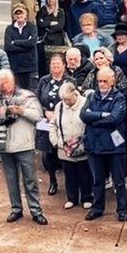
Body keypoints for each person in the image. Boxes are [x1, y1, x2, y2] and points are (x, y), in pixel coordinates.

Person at [0, 69, 47, 224]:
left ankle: (36, 210)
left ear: (13, 81)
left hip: (24, 144)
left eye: (6, 82)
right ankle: (16, 209)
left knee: (30, 180)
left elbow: (38, 116)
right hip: (4, 145)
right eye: (1, 83)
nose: (4, 86)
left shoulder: (26, 95)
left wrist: (21, 110)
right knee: (11, 180)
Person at [81, 67, 127, 222]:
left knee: (119, 180)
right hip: (94, 146)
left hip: (114, 146)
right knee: (97, 181)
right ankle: (97, 208)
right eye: (99, 81)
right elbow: (83, 115)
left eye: (105, 81)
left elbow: (115, 118)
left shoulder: (119, 97)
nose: (101, 84)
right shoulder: (93, 96)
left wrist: (94, 120)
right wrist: (102, 115)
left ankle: (122, 209)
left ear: (112, 81)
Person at [48, 82, 91, 210]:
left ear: (75, 93)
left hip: (83, 148)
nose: (66, 102)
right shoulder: (59, 107)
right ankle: (71, 198)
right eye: (64, 99)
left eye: (68, 99)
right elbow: (53, 125)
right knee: (69, 175)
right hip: (64, 149)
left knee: (85, 174)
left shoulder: (85, 103)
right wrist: (56, 142)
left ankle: (87, 197)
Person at [36, 53, 74, 195]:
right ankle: (52, 181)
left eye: (58, 64)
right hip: (46, 120)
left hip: (64, 120)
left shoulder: (70, 81)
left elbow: (73, 100)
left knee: (65, 151)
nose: (55, 67)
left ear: (64, 65)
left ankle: (70, 184)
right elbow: (37, 99)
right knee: (49, 153)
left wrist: (58, 113)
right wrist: (45, 112)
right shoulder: (44, 81)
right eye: (53, 64)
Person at [5, 3, 39, 90]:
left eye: (21, 13)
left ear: (26, 14)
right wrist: (25, 45)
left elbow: (31, 43)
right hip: (16, 67)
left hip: (30, 67)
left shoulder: (32, 27)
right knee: (18, 95)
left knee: (31, 94)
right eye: (17, 14)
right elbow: (8, 47)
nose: (19, 16)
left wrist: (15, 42)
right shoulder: (9, 29)